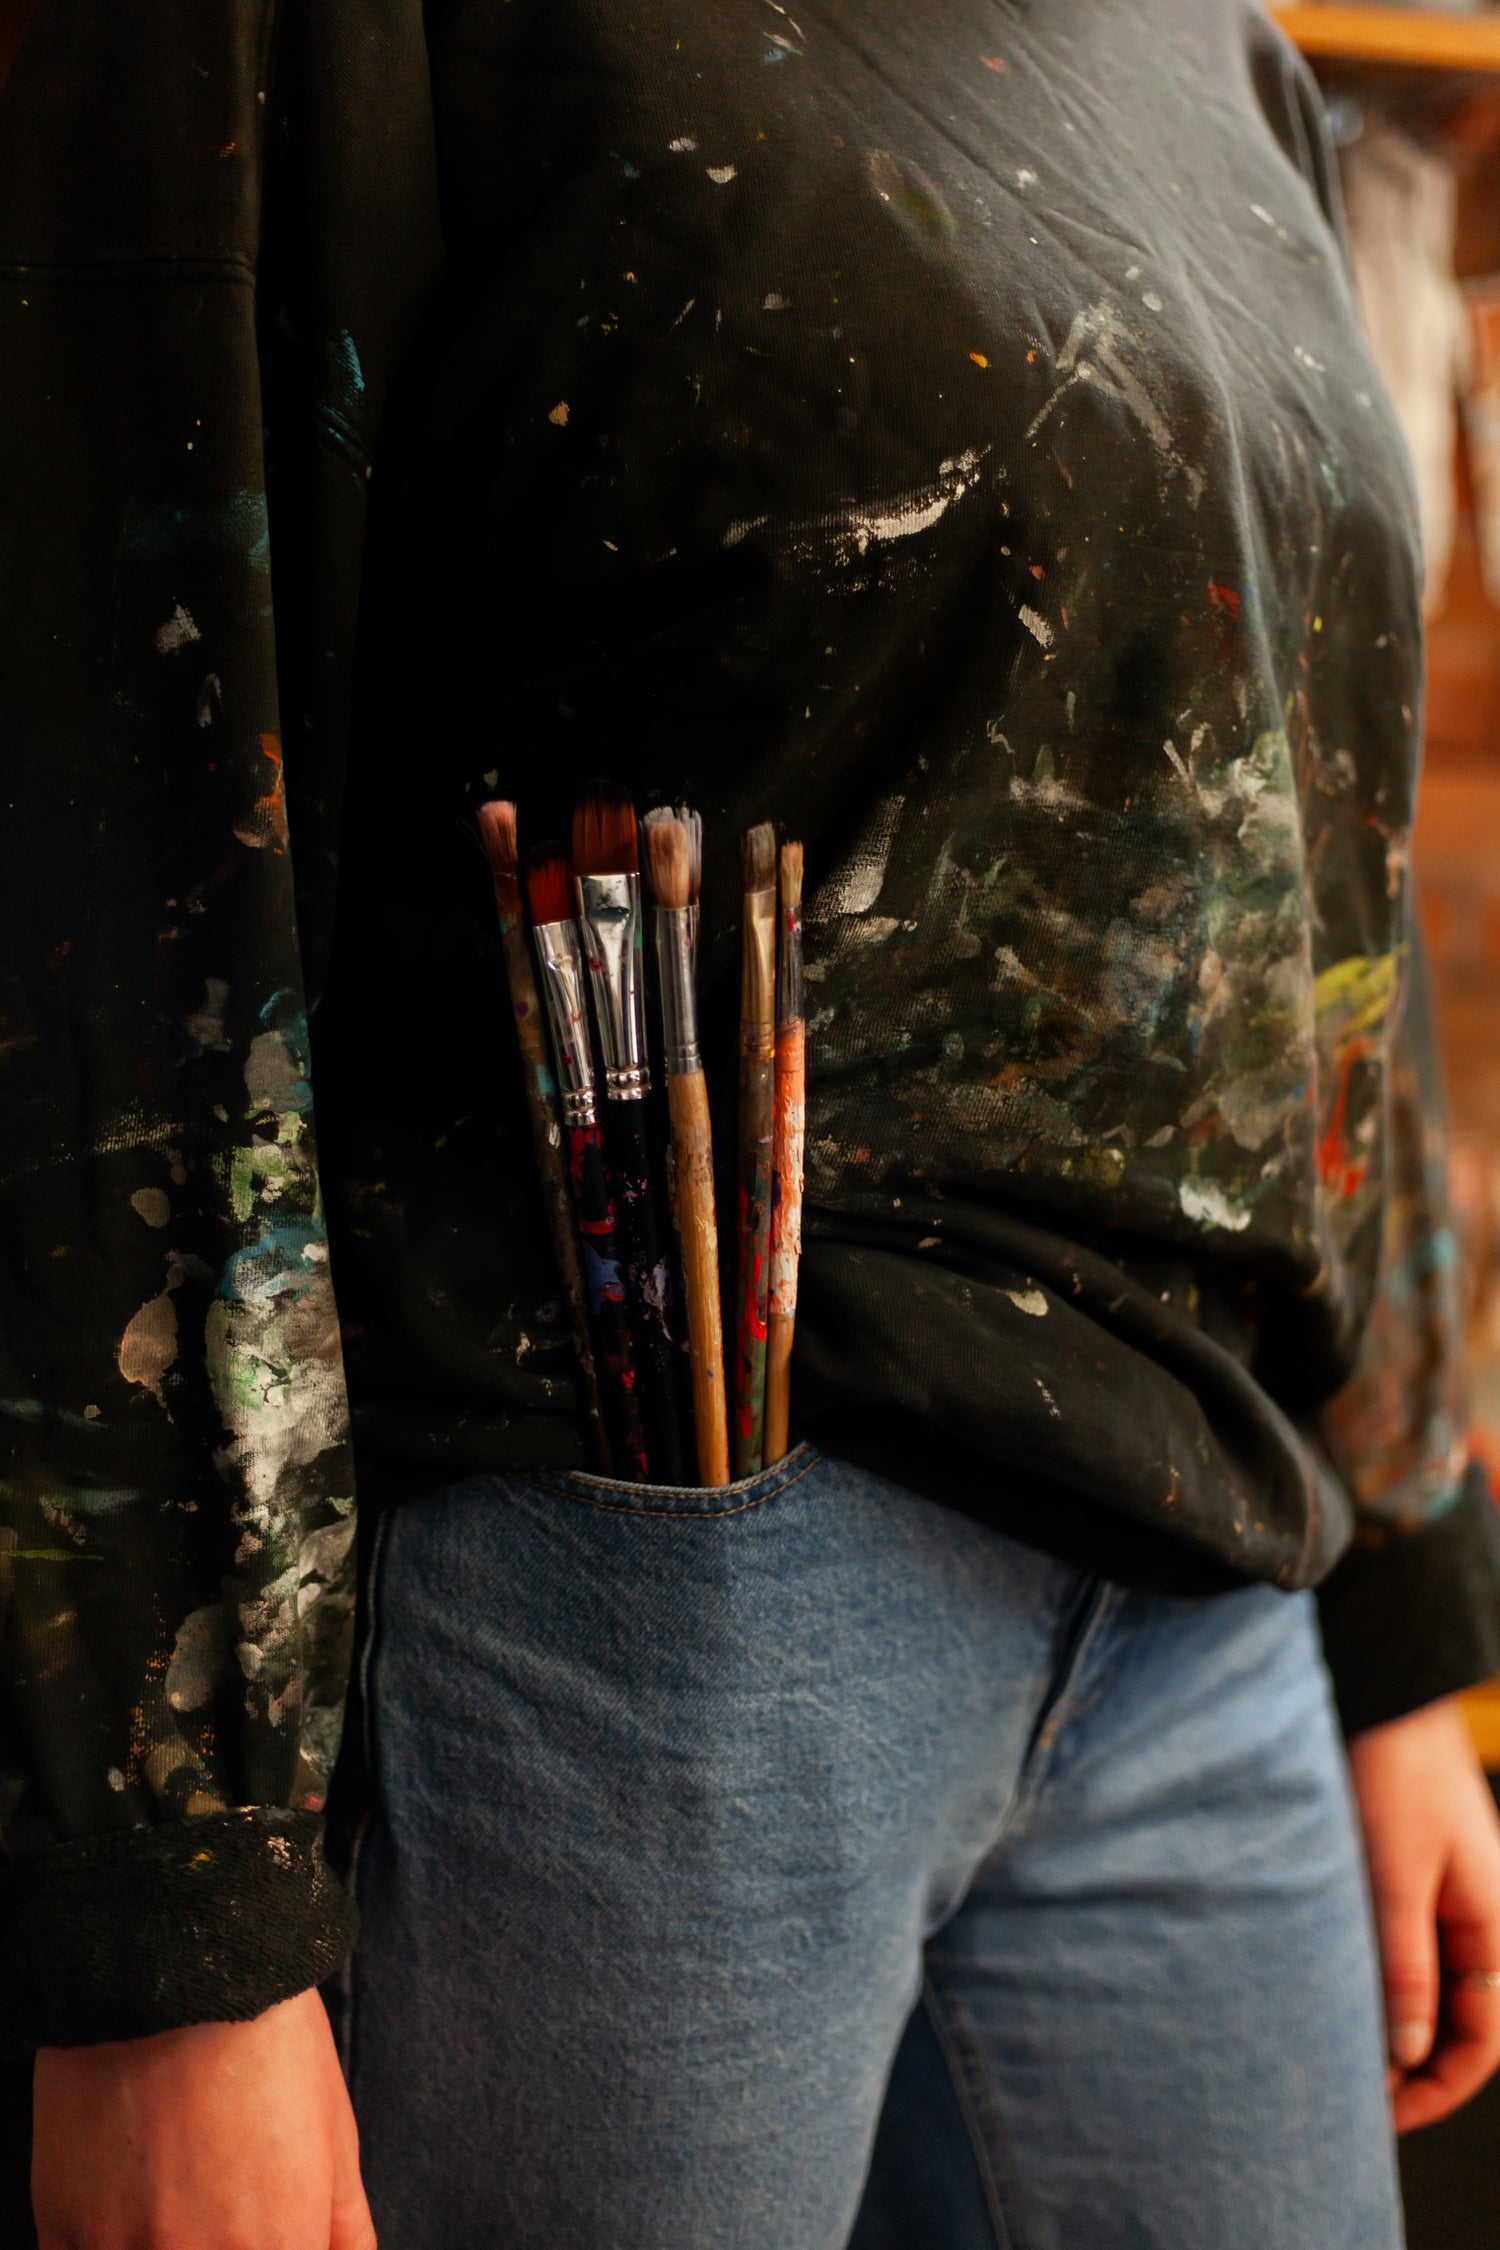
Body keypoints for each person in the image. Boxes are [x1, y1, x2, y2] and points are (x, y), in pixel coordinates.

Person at [8, 0, 1500, 2243]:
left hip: (1205, 1604)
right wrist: (161, 1927)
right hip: (640, 1602)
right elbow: (109, 878)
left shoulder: (1215, 41)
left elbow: (1306, 853)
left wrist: (1400, 1605)